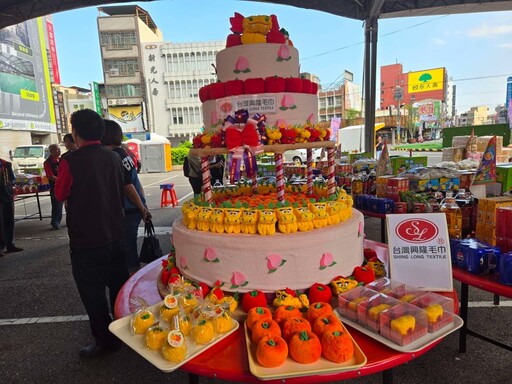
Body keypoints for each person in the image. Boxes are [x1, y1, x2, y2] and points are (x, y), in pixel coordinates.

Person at [55, 109, 129, 358]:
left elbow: (60, 194)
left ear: (76, 133)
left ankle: (106, 341)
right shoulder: (113, 158)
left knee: (93, 295)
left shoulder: (70, 162)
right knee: (118, 287)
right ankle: (125, 333)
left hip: (87, 242)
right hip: (116, 235)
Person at [101, 119, 151, 274]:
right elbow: (136, 183)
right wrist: (143, 205)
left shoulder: (114, 156)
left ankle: (132, 285)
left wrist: (142, 208)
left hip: (128, 210)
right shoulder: (124, 153)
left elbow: (128, 186)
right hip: (134, 209)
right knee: (128, 248)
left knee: (128, 251)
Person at [0, 157, 23, 257]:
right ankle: (0, 247)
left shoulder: (6, 164)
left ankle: (10, 244)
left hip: (7, 196)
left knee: (9, 221)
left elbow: (11, 180)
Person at [43, 144, 63, 230]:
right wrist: (61, 180)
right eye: (56, 150)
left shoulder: (61, 159)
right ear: (51, 152)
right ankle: (55, 222)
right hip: (55, 186)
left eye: (59, 149)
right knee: (56, 205)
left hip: (63, 184)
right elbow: (50, 176)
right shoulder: (48, 162)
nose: (58, 151)